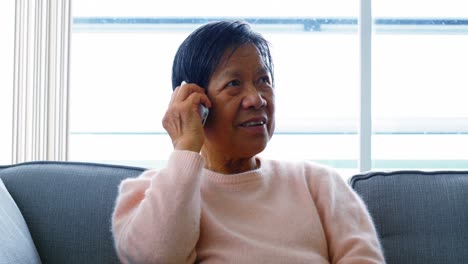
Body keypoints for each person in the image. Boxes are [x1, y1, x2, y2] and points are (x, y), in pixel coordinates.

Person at [112, 20, 385, 264]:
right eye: (234, 84)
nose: (257, 99)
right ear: (197, 103)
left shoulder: (318, 183)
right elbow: (157, 258)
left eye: (263, 80)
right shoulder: (148, 194)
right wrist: (185, 147)